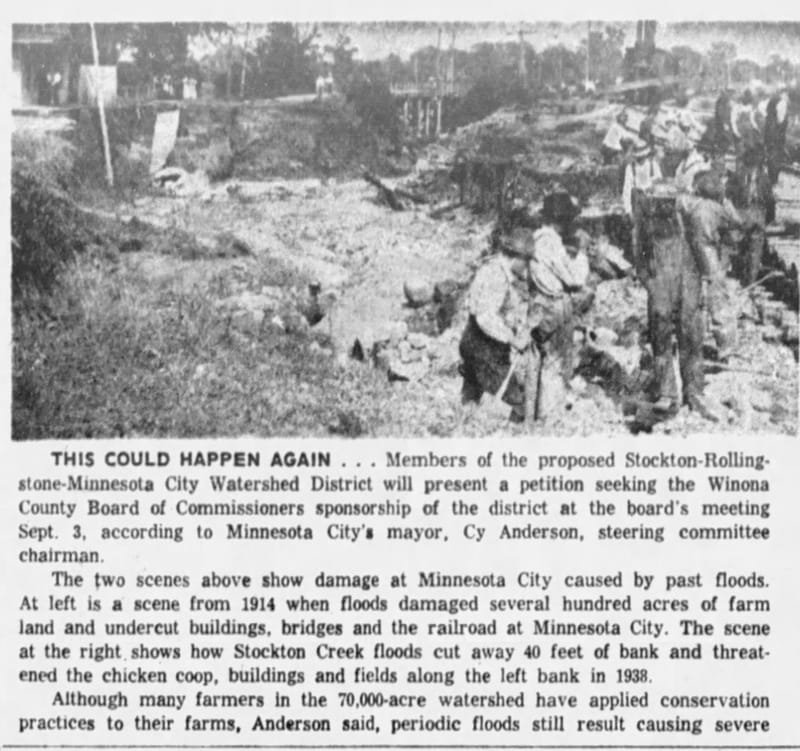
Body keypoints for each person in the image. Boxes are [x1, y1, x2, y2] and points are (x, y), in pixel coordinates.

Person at [633, 180, 717, 423]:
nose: (664, 207)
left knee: (691, 339)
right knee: (660, 340)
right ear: (653, 202)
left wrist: (704, 279)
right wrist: (651, 286)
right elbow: (640, 261)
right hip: (661, 286)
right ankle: (666, 392)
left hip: (687, 282)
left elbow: (699, 249)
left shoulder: (685, 221)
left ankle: (694, 390)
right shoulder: (645, 227)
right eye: (660, 202)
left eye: (668, 202)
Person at [524, 193, 589, 424]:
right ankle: (549, 415)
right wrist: (581, 255)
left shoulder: (534, 239)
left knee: (536, 360)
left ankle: (531, 414)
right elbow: (574, 280)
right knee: (556, 362)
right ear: (562, 220)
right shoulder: (552, 242)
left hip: (537, 303)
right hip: (555, 303)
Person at [458, 236, 531, 421]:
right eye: (526, 262)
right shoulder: (496, 277)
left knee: (472, 399)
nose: (526, 268)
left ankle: (472, 413)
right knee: (517, 409)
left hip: (473, 340)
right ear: (517, 258)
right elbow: (486, 318)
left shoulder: (492, 268)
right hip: (484, 348)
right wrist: (513, 340)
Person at [678, 170, 744, 362]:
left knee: (689, 297)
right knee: (718, 298)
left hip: (688, 252)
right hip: (708, 253)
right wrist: (727, 204)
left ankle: (687, 340)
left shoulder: (688, 203)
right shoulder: (716, 208)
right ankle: (726, 346)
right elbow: (738, 223)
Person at [622, 141, 663, 217]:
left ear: (646, 155)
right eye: (638, 158)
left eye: (642, 157)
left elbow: (660, 180)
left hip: (652, 201)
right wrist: (628, 210)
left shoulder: (652, 164)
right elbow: (626, 189)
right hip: (637, 202)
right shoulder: (630, 167)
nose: (640, 160)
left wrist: (653, 185)